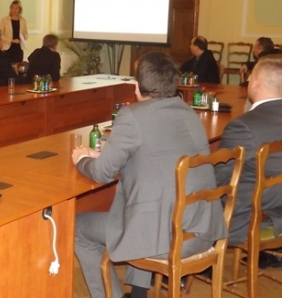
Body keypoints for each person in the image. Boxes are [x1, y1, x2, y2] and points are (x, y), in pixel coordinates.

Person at [71, 51, 227, 298]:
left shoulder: (132, 116)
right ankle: (139, 293)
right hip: (203, 229)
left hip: (167, 238)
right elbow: (154, 157)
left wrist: (82, 159)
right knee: (144, 204)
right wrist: (107, 154)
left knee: (78, 226)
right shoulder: (188, 112)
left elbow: (102, 173)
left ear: (136, 86)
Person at [215, 55, 282, 256]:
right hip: (276, 209)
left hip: (249, 218)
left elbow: (217, 177)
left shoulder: (243, 126)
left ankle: (192, 263)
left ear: (256, 83)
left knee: (184, 197)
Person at [0, 0, 29, 64]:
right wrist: (11, 40)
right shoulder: (5, 20)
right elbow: (0, 34)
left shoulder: (23, 20)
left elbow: (26, 34)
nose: (14, 10)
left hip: (19, 48)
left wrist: (23, 37)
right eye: (12, 8)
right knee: (7, 66)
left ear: (20, 10)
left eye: (16, 8)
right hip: (7, 48)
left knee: (18, 66)